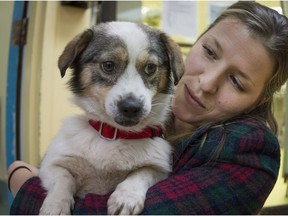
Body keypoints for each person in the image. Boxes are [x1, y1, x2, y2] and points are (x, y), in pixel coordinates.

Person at [7, 1, 288, 214]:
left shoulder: (250, 149)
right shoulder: (150, 121)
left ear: (262, 99)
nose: (206, 83)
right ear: (197, 41)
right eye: (210, 52)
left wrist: (24, 183)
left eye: (237, 82)